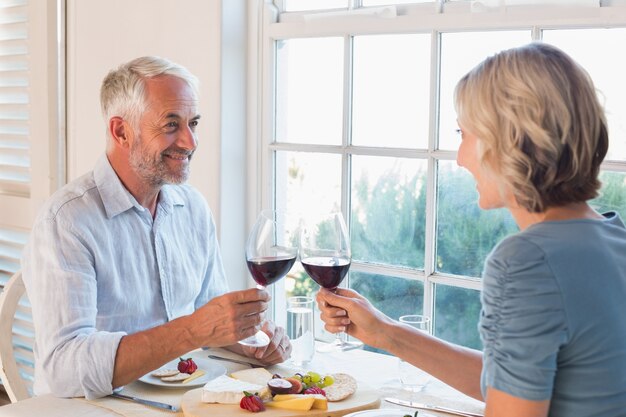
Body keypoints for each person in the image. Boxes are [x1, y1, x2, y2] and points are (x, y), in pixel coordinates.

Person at [317, 42, 626, 417]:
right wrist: (385, 333)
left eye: (463, 134)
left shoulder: (527, 261)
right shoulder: (613, 237)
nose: (461, 159)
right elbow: (516, 381)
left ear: (508, 140)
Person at [21, 56, 291, 399]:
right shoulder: (66, 222)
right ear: (121, 131)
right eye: (171, 125)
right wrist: (194, 329)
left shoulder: (192, 208)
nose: (190, 142)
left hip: (177, 399)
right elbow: (64, 369)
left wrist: (248, 340)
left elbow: (209, 316)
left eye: (193, 123)